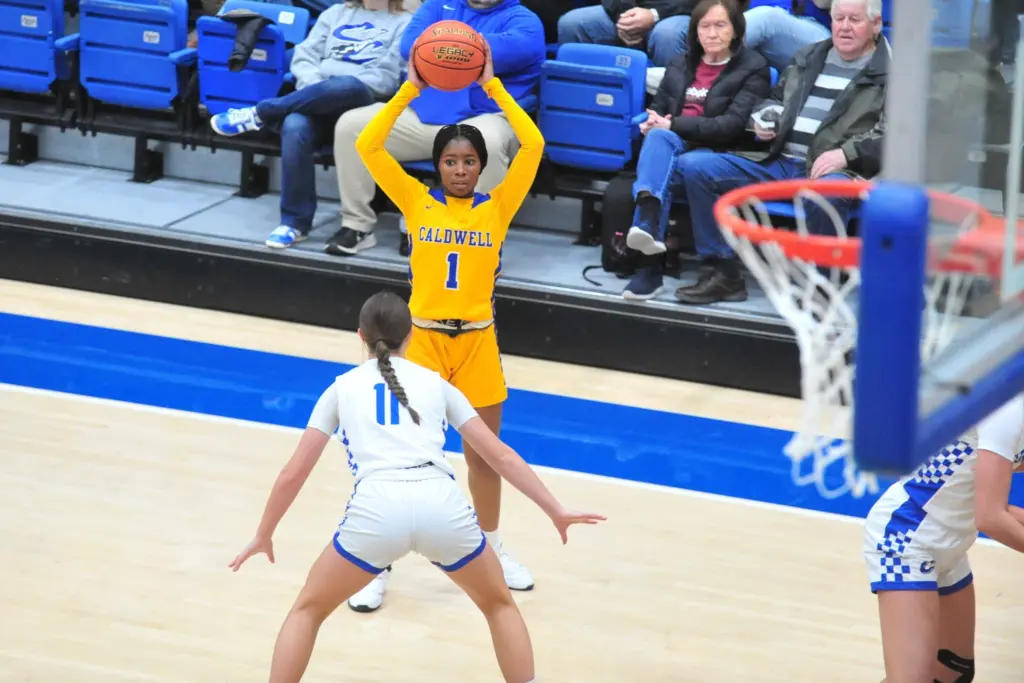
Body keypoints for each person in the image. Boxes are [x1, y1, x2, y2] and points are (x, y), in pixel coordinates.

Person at [229, 291, 605, 683]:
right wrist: (555, 509)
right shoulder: (437, 385)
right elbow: (501, 456)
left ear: (360, 336)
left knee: (307, 610)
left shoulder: (340, 388)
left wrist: (264, 532)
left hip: (377, 510)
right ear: (411, 336)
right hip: (440, 504)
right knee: (500, 606)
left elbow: (294, 473)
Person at [345, 39, 545, 612]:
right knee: (397, 457)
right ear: (438, 166)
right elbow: (368, 143)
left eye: (469, 161)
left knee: (485, 457)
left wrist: (491, 84)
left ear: (481, 166)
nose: (460, 169)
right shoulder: (414, 200)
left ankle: (492, 550)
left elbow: (532, 143)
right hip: (423, 342)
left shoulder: (498, 205)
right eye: (451, 161)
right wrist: (411, 86)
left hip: (478, 341)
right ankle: (375, 563)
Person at [671, 0, 887, 305]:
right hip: (779, 160)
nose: (844, 27)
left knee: (827, 193)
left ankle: (821, 287)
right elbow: (774, 98)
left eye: (855, 20)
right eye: (839, 19)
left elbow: (893, 132)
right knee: (695, 167)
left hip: (836, 170)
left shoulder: (892, 72)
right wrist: (764, 118)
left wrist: (846, 154)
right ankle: (721, 273)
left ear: (876, 25)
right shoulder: (809, 55)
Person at [329, 0, 545, 256]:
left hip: (485, 116)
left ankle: (478, 240)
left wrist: (441, 41)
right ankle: (357, 225)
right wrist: (454, 45)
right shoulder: (437, 5)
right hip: (422, 115)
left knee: (485, 141)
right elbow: (409, 46)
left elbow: (477, 54)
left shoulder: (525, 21)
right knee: (352, 126)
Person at [209, 0, 411, 249]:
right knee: (295, 125)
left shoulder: (404, 23)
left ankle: (261, 112)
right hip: (319, 101)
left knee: (347, 85)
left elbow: (386, 78)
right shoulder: (335, 14)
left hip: (363, 106)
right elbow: (304, 57)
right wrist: (318, 88)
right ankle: (295, 222)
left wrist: (336, 84)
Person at [862, 393, 1024, 683]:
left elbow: (993, 503)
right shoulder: (1008, 410)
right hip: (907, 536)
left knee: (952, 670)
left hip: (950, 543)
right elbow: (990, 516)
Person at [622, 0, 770, 300]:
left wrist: (671, 124)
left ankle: (649, 266)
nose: (712, 33)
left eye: (720, 25)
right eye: (705, 26)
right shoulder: (680, 63)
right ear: (695, 31)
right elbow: (659, 109)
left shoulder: (753, 68)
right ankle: (649, 228)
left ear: (736, 30)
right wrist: (651, 123)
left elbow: (730, 126)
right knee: (659, 142)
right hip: (674, 145)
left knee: (668, 162)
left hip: (719, 151)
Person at [557, 0, 697, 67]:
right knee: (572, 23)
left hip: (677, 13)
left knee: (667, 34)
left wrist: (654, 14)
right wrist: (624, 17)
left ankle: (668, 110)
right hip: (630, 9)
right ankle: (579, 100)